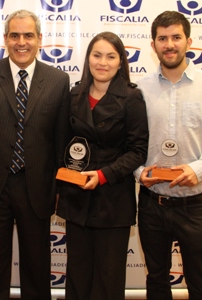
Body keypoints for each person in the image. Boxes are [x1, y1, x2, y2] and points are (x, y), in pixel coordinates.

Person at [0, 9, 70, 300]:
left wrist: (60, 187)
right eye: (15, 35)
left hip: (38, 187)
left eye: (28, 35)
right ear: (5, 39)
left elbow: (60, 141)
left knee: (37, 265)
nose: (22, 42)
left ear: (39, 39)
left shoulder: (58, 80)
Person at [134, 11, 202, 300]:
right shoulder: (139, 89)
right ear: (153, 45)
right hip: (152, 202)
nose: (170, 44)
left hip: (193, 205)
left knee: (201, 284)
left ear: (188, 41)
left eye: (176, 37)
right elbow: (129, 143)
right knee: (156, 281)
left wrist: (199, 168)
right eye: (163, 38)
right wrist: (137, 172)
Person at [56, 31, 149, 300]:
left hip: (113, 198)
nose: (103, 62)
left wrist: (103, 174)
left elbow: (138, 151)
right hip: (77, 198)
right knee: (78, 275)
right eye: (97, 55)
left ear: (120, 62)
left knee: (108, 281)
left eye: (111, 56)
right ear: (88, 59)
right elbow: (63, 145)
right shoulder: (74, 95)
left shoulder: (132, 98)